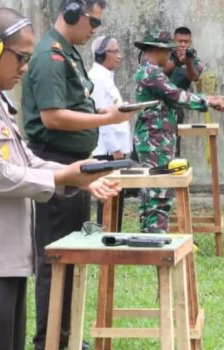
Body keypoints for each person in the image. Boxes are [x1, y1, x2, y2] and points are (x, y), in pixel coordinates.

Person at [0, 8, 120, 350]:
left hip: (2, 262)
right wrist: (64, 174)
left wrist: (76, 178)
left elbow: (26, 160)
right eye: (20, 58)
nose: (24, 68)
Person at [20, 1, 135, 348]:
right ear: (71, 12)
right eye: (93, 21)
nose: (96, 30)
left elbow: (74, 106)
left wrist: (100, 111)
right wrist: (107, 120)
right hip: (55, 164)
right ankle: (49, 341)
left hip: (74, 163)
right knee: (55, 256)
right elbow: (53, 117)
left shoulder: (68, 53)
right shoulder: (50, 57)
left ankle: (66, 336)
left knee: (74, 251)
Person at [132, 30, 224, 233]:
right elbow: (176, 96)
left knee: (160, 189)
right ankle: (154, 236)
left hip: (158, 139)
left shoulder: (151, 71)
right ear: (156, 50)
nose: (170, 55)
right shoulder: (152, 72)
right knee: (157, 189)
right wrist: (209, 101)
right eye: (167, 50)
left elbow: (181, 90)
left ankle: (156, 234)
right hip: (154, 140)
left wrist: (209, 98)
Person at [88, 35, 130, 230]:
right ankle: (106, 237)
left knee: (117, 197)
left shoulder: (106, 77)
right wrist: (115, 149)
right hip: (107, 150)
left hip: (114, 148)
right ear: (101, 54)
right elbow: (101, 117)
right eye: (115, 52)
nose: (119, 56)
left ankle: (114, 235)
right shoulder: (96, 78)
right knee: (108, 199)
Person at [162, 26, 204, 156]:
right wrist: (177, 61)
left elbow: (194, 77)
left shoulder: (194, 59)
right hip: (158, 104)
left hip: (176, 108)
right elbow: (157, 71)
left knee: (173, 147)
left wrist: (188, 62)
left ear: (190, 42)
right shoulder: (164, 54)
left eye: (186, 41)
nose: (183, 44)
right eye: (180, 41)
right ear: (174, 41)